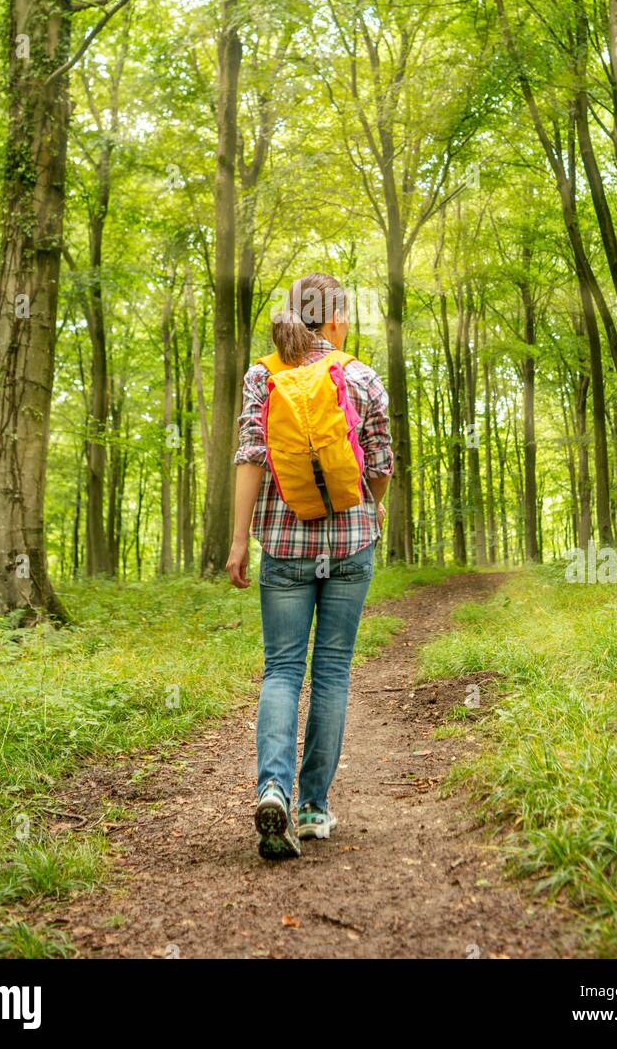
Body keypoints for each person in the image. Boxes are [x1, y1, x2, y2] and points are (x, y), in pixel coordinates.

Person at [226, 273, 393, 859]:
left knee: (280, 671)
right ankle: (315, 807)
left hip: (284, 548)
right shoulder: (361, 375)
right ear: (337, 319)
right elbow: (380, 464)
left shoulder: (262, 376)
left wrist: (239, 541)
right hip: (350, 548)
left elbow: (250, 457)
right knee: (332, 673)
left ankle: (272, 787)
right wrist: (367, 513)